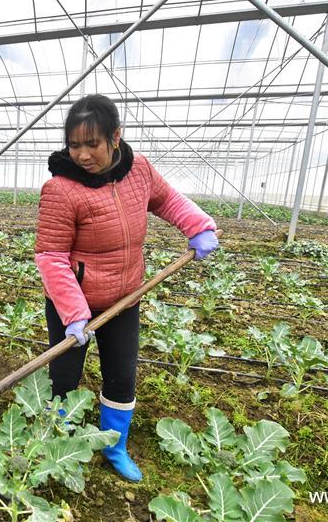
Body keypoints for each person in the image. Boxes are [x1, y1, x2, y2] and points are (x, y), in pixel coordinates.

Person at [35, 94, 218, 482]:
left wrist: (197, 225)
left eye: (92, 144)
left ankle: (114, 446)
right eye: (74, 145)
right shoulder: (61, 190)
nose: (83, 155)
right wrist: (74, 313)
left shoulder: (139, 172)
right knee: (65, 378)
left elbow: (167, 199)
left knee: (121, 374)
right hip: (75, 306)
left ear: (115, 137)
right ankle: (59, 443)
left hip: (125, 298)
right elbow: (51, 256)